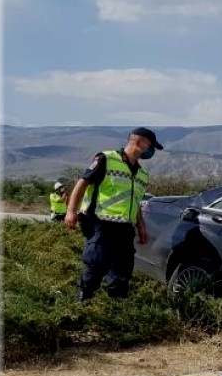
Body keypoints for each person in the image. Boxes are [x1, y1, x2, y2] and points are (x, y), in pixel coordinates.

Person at [64, 127, 163, 301]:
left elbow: (135, 201)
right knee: (97, 262)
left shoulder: (142, 174)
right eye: (150, 146)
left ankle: (116, 305)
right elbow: (82, 183)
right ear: (139, 142)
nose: (151, 150)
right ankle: (82, 300)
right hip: (100, 221)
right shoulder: (106, 159)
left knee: (123, 268)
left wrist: (141, 226)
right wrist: (71, 211)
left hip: (125, 226)